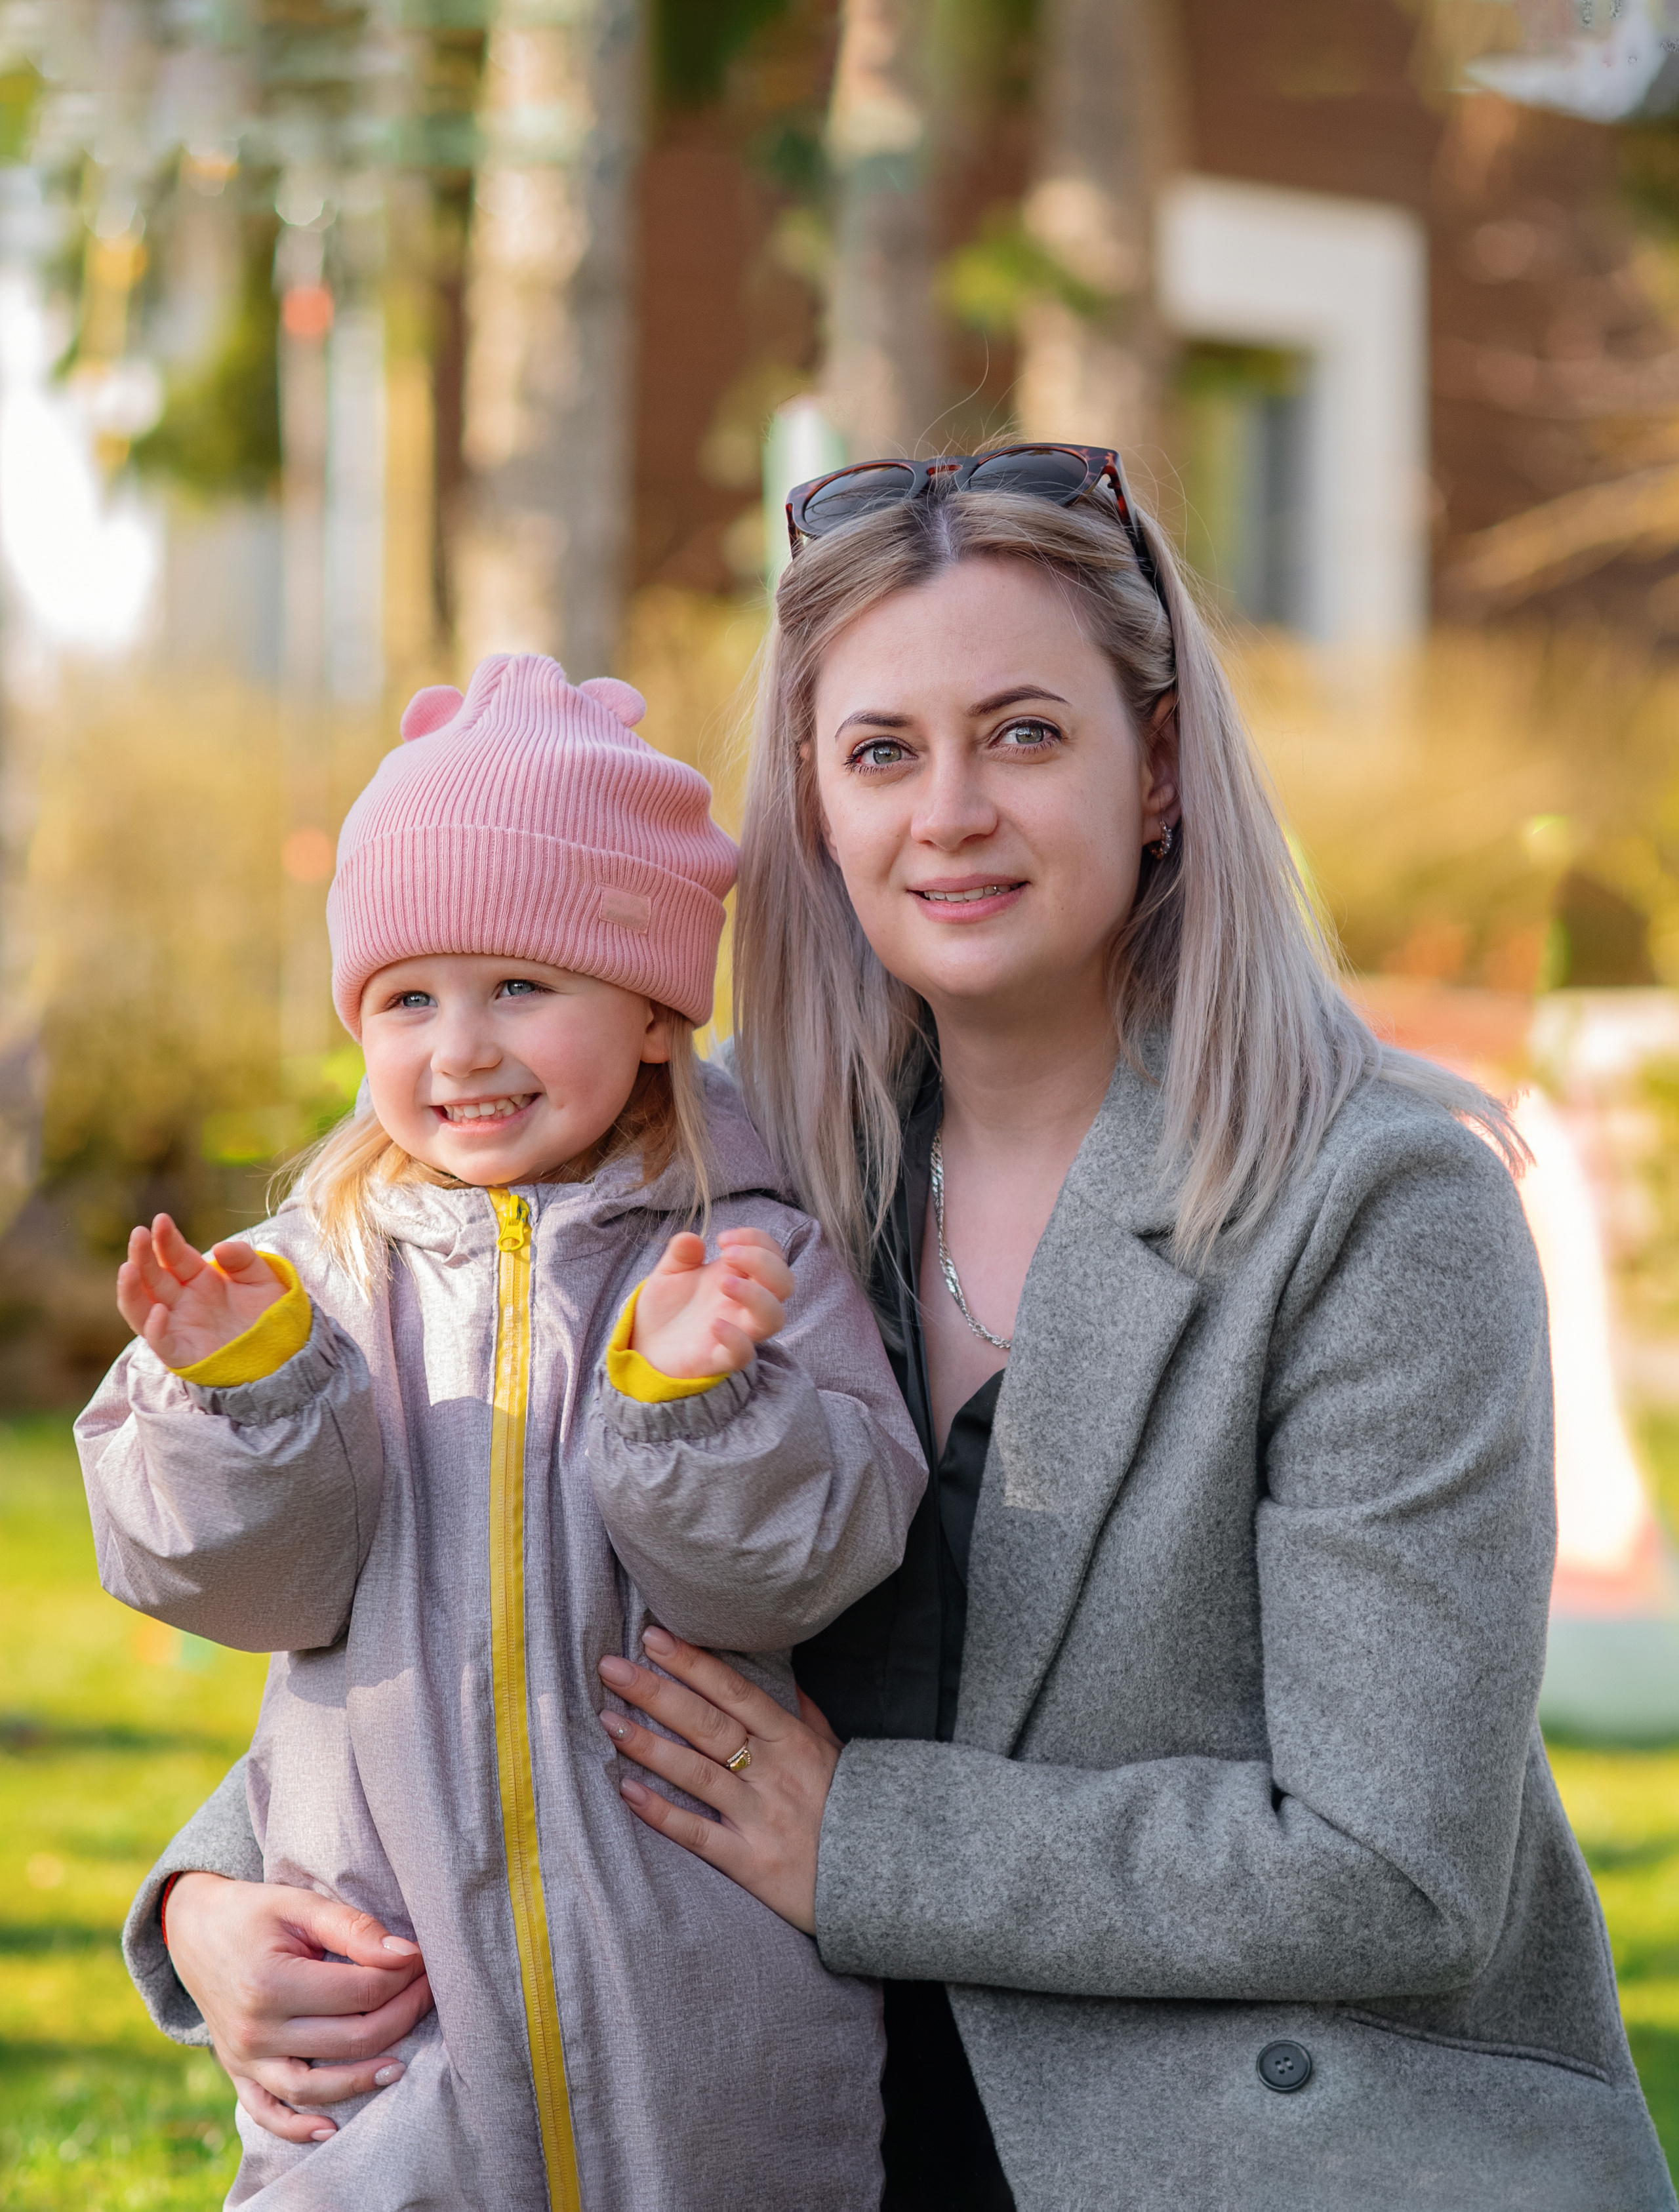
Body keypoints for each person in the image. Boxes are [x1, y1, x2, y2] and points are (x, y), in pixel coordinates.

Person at [126, 449, 1674, 2211]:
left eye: (1023, 733)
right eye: (880, 751)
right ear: (813, 803)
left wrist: (859, 1841)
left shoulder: (1378, 1201)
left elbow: (1394, 1865)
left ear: (1158, 766)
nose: (947, 812)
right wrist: (215, 1899)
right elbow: (490, 1577)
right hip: (821, 2124)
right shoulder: (734, 1193)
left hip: (1282, 2146)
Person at [76, 652, 926, 2211]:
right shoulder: (309, 1279)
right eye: (408, 998)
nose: (459, 1047)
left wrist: (692, 1401)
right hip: (388, 2047)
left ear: (656, 1011)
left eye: (520, 986)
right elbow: (243, 1586)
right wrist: (246, 1393)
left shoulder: (747, 1261)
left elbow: (787, 1578)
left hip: (705, 2056)